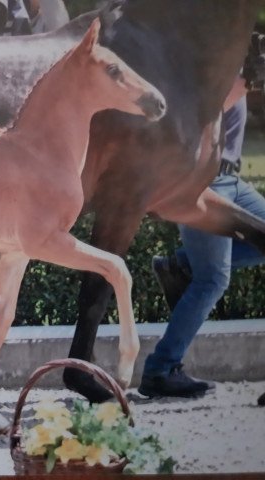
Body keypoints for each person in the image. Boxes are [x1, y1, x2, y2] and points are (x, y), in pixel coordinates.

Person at [139, 79, 265, 398]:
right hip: (201, 183)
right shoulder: (212, 68)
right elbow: (199, 115)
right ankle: (160, 370)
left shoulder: (233, 56)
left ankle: (179, 265)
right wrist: (246, 81)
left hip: (230, 179)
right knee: (212, 279)